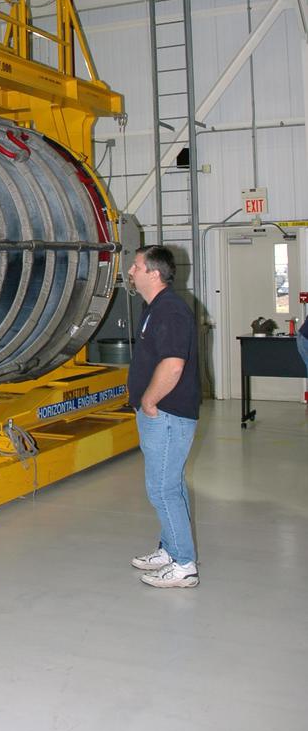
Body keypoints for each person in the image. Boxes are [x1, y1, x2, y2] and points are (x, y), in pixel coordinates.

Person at [127, 245, 201, 589]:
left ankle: (184, 565)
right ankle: (171, 549)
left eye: (136, 266)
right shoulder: (153, 307)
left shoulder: (169, 310)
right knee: (171, 485)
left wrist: (151, 402)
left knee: (161, 488)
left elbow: (173, 364)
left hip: (167, 414)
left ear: (154, 273)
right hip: (163, 414)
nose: (130, 271)